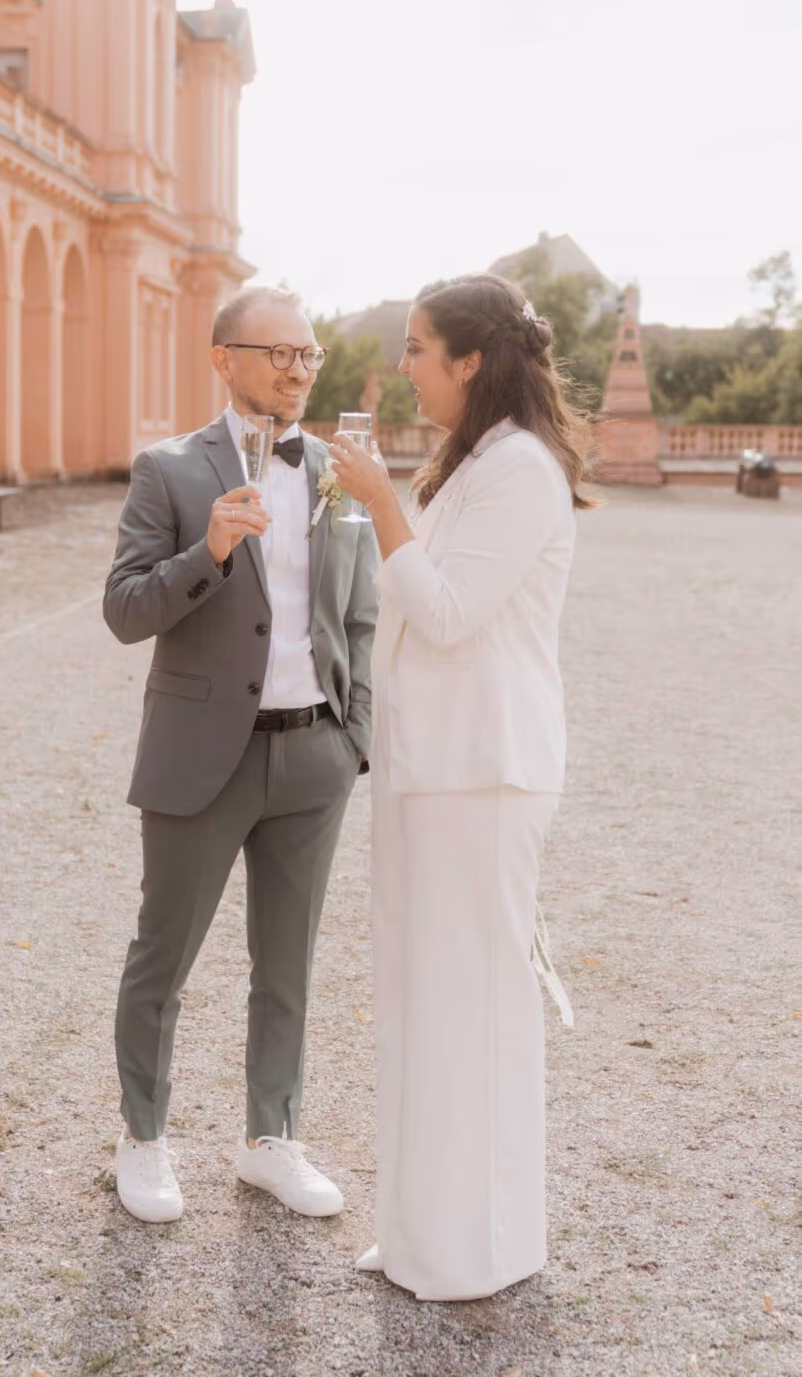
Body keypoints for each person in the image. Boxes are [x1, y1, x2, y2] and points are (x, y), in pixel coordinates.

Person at [329, 272, 593, 1301]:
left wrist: (382, 506)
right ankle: (418, 1229)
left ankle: (476, 1248)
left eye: (417, 347)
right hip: (432, 770)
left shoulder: (518, 469)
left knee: (469, 1006)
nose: (403, 366)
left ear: (470, 361)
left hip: (483, 775)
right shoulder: (472, 461)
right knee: (416, 998)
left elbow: (444, 614)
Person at [103, 285, 377, 1224]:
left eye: (309, 355)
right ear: (224, 357)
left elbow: (362, 615)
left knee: (288, 965)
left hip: (314, 758)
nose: (298, 370)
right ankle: (143, 1139)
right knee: (162, 958)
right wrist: (206, 553)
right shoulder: (169, 470)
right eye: (279, 353)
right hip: (200, 755)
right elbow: (124, 611)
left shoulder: (346, 472)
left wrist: (354, 737)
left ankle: (272, 1137)